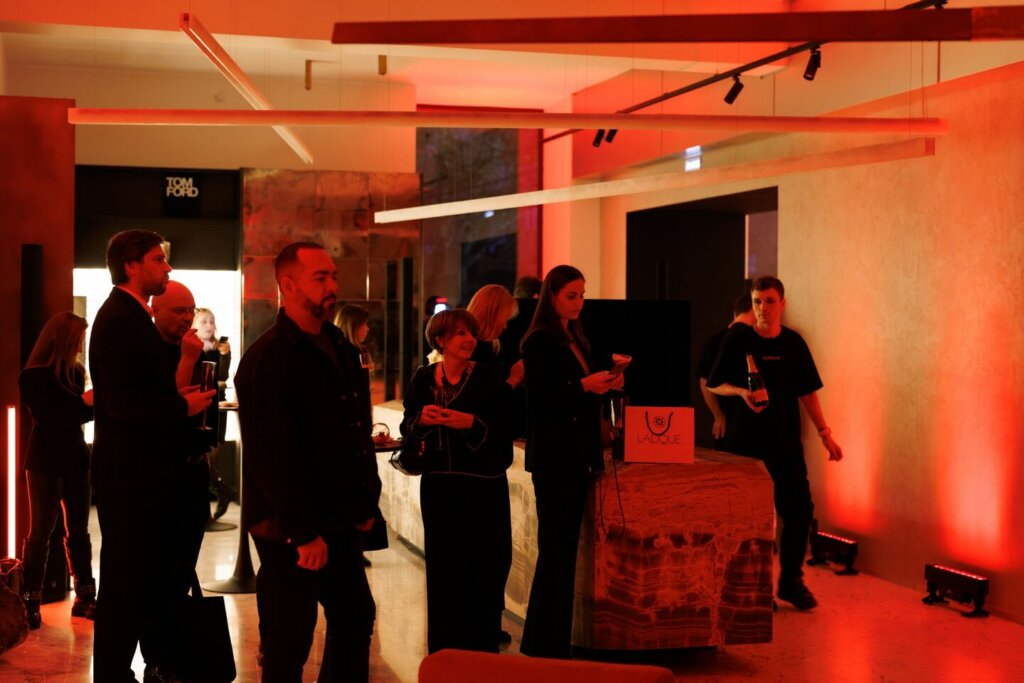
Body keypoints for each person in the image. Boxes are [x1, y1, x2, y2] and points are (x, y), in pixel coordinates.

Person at [235, 242, 380, 682]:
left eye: (333, 275)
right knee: (289, 638)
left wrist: (365, 503)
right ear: (289, 285)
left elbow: (356, 428)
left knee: (355, 616)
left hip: (340, 516)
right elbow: (271, 454)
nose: (332, 285)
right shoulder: (269, 357)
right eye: (321, 277)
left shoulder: (340, 345)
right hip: (289, 526)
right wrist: (302, 532)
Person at [89, 229, 215, 683]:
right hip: (130, 478)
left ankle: (135, 667)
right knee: (124, 585)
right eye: (159, 259)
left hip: (139, 476)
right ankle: (113, 673)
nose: (167, 267)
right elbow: (124, 404)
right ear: (131, 265)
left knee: (138, 582)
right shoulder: (120, 319)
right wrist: (183, 406)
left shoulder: (130, 315)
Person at [706, 275, 843, 611]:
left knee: (799, 511)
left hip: (785, 444)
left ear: (782, 304)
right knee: (751, 518)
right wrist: (741, 392)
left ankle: (791, 582)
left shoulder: (793, 344)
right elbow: (713, 383)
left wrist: (825, 434)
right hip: (746, 447)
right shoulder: (738, 339)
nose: (762, 308)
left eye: (769, 301)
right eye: (757, 302)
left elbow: (808, 392)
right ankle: (755, 587)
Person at [518, 265, 622, 659]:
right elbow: (541, 401)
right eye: (571, 296)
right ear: (552, 297)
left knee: (562, 552)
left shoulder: (573, 336)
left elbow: (574, 394)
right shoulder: (539, 340)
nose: (579, 303)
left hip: (574, 454)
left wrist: (605, 384)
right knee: (555, 551)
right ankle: (546, 644)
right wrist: (584, 385)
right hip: (555, 457)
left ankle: (548, 641)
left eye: (582, 295)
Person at [401, 309, 515, 654]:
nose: (469, 340)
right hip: (439, 488)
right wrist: (421, 421)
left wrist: (472, 424)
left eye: (471, 333)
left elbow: (507, 426)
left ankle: (482, 649)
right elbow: (408, 425)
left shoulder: (488, 377)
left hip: (483, 487)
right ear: (440, 340)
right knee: (444, 567)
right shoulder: (423, 378)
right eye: (460, 333)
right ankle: (445, 652)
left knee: (487, 565)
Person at [18, 312, 96, 630]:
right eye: (78, 339)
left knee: (78, 530)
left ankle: (85, 595)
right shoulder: (33, 376)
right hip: (45, 461)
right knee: (40, 532)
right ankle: (30, 599)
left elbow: (74, 416)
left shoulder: (75, 372)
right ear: (63, 339)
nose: (80, 345)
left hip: (75, 457)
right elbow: (50, 419)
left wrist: (85, 406)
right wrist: (85, 404)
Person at [466, 284, 524, 644]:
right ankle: (483, 624)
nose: (506, 324)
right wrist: (514, 380)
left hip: (489, 461)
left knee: (493, 552)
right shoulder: (480, 352)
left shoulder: (489, 348)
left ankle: (485, 621)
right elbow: (488, 406)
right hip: (483, 465)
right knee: (491, 551)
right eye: (504, 317)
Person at [151, 282, 216, 576]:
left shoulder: (193, 347)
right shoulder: (149, 350)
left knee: (186, 558)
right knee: (160, 561)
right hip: (162, 469)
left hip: (194, 465)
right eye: (179, 310)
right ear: (155, 310)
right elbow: (168, 405)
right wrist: (188, 360)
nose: (187, 317)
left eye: (191, 310)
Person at [334, 303, 388, 564]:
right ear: (354, 326)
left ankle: (357, 547)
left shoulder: (357, 353)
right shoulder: (348, 355)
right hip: (354, 439)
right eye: (364, 324)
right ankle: (356, 547)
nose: (368, 329)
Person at [191, 306, 235, 520]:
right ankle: (221, 489)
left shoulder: (220, 348)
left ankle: (220, 491)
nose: (209, 326)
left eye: (211, 321)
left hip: (217, 406)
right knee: (202, 457)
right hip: (198, 407)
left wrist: (225, 356)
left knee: (211, 456)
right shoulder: (190, 346)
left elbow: (222, 377)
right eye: (204, 321)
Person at [695, 292, 755, 447]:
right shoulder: (719, 340)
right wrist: (718, 415)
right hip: (731, 423)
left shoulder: (758, 338)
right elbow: (705, 381)